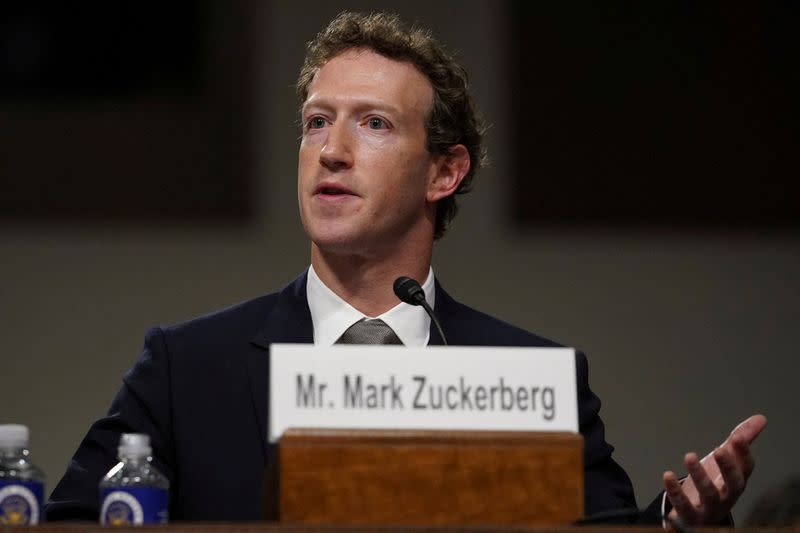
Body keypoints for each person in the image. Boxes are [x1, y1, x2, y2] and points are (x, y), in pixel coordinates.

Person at [45, 11, 766, 525]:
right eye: (317, 121)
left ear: (444, 172)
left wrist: (679, 521)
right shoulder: (186, 367)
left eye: (374, 123)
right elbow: (71, 522)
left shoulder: (532, 378)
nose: (331, 150)